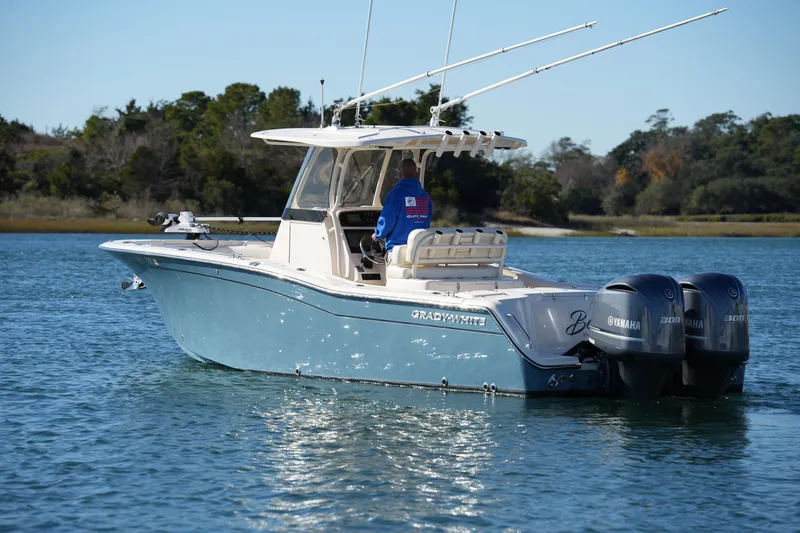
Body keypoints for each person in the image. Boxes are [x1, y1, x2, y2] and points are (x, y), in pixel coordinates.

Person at [372, 159, 433, 251]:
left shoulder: (396, 194)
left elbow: (387, 220)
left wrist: (378, 235)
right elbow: (426, 222)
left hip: (397, 250)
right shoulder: (425, 197)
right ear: (416, 174)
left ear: (399, 175)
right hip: (419, 250)